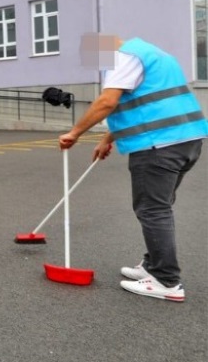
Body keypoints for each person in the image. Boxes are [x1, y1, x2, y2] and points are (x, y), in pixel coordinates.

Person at [59, 35, 207, 302]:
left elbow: (108, 101)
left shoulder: (122, 57)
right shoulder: (154, 53)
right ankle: (153, 266)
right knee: (159, 205)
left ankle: (166, 280)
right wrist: (108, 139)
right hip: (186, 139)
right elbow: (143, 100)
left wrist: (75, 132)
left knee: (152, 208)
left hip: (157, 145)